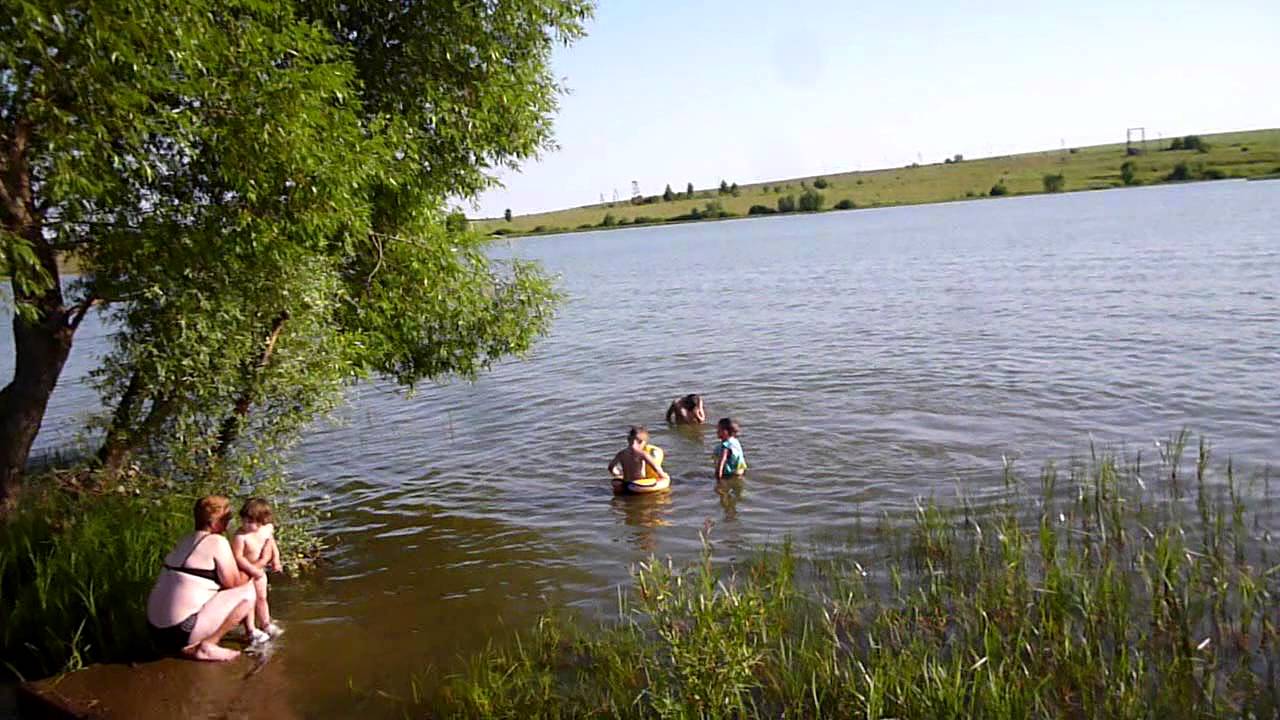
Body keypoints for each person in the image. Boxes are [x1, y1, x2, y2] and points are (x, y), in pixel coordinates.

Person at [147, 495, 267, 661]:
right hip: (180, 630)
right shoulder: (217, 542)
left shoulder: (185, 539)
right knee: (247, 593)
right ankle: (208, 645)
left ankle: (188, 646)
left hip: (155, 631)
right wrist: (258, 564)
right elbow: (235, 583)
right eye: (227, 518)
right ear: (214, 522)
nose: (229, 523)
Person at [232, 498, 285, 638]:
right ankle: (251, 630)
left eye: (250, 522)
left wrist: (276, 559)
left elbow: (272, 543)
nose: (245, 525)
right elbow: (238, 557)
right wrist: (251, 570)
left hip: (260, 571)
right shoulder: (240, 537)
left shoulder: (267, 530)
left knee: (262, 597)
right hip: (245, 572)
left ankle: (265, 624)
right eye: (243, 520)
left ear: (262, 521)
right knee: (250, 600)